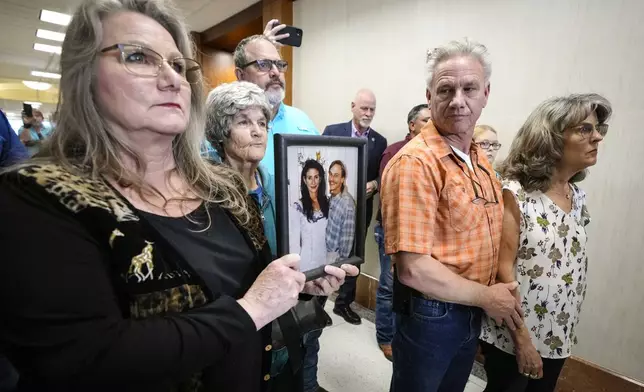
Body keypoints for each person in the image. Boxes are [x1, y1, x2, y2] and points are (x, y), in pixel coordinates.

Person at [0, 1, 354, 391]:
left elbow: (252, 281)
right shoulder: (38, 198)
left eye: (178, 64)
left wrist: (296, 284)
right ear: (83, 76)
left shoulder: (220, 185)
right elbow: (86, 361)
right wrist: (252, 309)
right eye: (138, 57)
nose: (171, 79)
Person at [381, 38, 523, 392]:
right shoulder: (416, 163)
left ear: (485, 93)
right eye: (446, 89)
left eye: (469, 88)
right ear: (429, 97)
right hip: (434, 315)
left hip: (468, 309)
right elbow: (413, 269)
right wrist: (487, 298)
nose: (458, 100)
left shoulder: (477, 157)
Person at [204, 80, 359, 391]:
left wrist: (310, 281)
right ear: (221, 132)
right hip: (235, 335)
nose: (258, 131)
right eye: (243, 122)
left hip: (287, 331)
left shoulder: (282, 185)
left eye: (262, 122)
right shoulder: (204, 194)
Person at [479, 93, 611, 392]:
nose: (597, 138)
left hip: (558, 332)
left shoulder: (577, 196)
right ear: (550, 139)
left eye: (598, 129)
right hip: (516, 335)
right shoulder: (516, 194)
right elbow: (503, 273)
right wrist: (523, 341)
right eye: (585, 129)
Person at [323, 88, 388, 325]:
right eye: (364, 108)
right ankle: (318, 305)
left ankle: (343, 304)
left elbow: (383, 176)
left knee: (353, 257)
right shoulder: (333, 131)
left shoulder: (379, 141)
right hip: (332, 206)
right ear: (353, 106)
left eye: (372, 109)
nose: (368, 113)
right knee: (326, 252)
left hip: (361, 209)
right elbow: (321, 165)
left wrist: (374, 184)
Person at [374, 103, 431, 361]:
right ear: (412, 125)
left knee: (409, 287)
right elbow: (388, 198)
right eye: (426, 121)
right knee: (388, 285)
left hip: (421, 237)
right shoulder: (395, 152)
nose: (432, 125)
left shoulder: (434, 154)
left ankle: (403, 336)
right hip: (392, 232)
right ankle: (385, 337)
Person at [233, 33, 319, 177]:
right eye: (264, 65)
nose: (276, 72)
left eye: (279, 65)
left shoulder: (303, 120)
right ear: (241, 75)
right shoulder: (226, 128)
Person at [290, 159, 330, 273]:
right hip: (306, 265)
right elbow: (294, 244)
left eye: (316, 177)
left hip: (324, 262)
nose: (313, 182)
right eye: (309, 177)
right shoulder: (297, 207)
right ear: (304, 180)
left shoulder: (327, 203)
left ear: (321, 178)